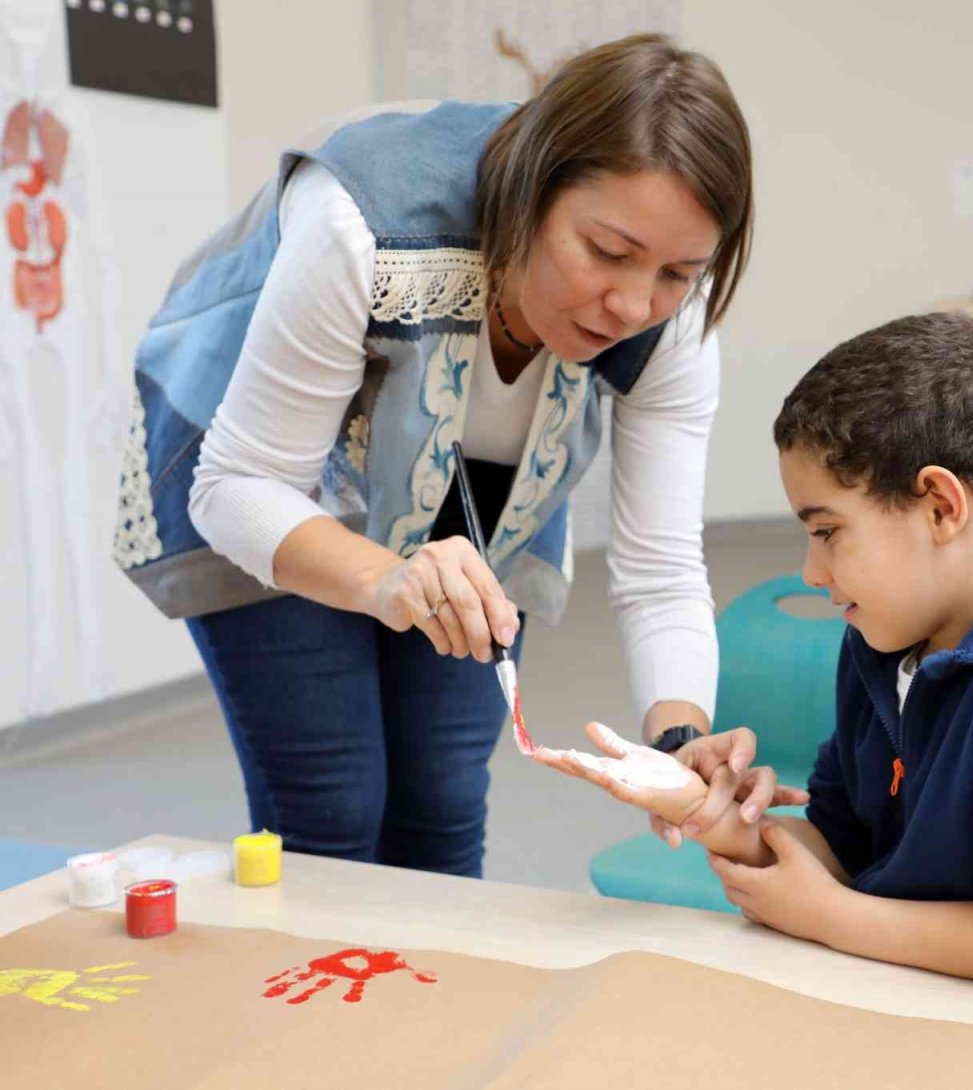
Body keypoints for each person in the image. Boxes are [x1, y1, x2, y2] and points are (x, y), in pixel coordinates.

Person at [113, 35, 801, 878]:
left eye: (677, 273)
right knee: (332, 801)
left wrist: (680, 738)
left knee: (441, 799)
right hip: (272, 476)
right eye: (608, 253)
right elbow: (240, 485)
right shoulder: (362, 223)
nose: (632, 304)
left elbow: (659, 566)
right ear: (530, 191)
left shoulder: (674, 319)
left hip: (467, 497)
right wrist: (387, 579)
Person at [536, 312, 973, 986]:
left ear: (940, 507)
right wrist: (711, 813)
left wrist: (831, 918)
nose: (812, 572)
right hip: (917, 993)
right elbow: (843, 846)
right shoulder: (881, 645)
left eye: (827, 532)